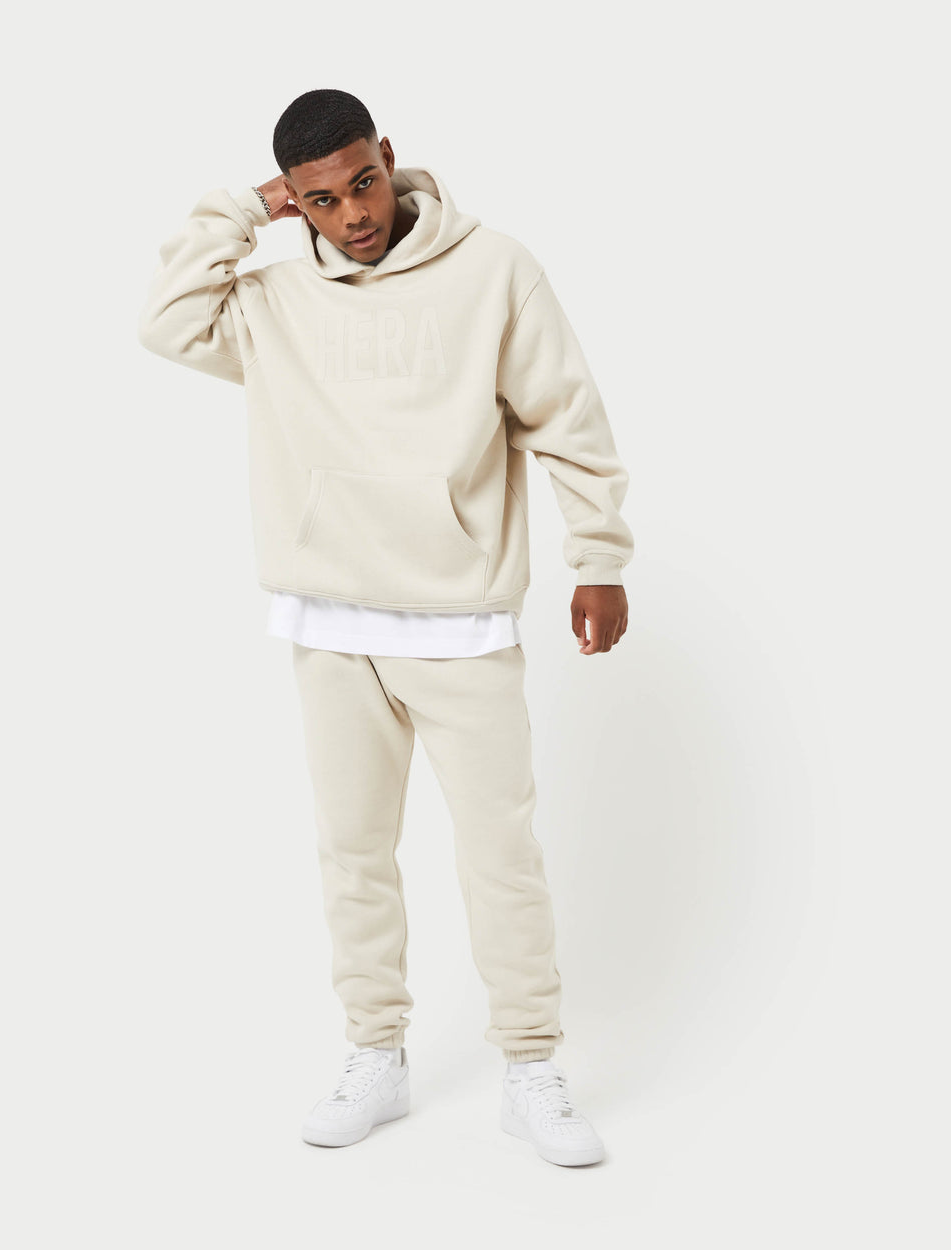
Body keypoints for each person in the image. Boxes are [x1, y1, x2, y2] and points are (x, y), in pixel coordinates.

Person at [137, 88, 632, 1168]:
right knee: (353, 852)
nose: (352, 213)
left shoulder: (495, 270)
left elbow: (568, 417)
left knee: (500, 857)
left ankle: (530, 1066)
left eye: (362, 183)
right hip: (331, 621)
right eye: (319, 199)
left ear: (390, 158)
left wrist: (597, 558)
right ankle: (376, 1051)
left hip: (459, 622)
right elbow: (167, 321)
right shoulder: (273, 302)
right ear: (293, 201)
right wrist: (243, 210)